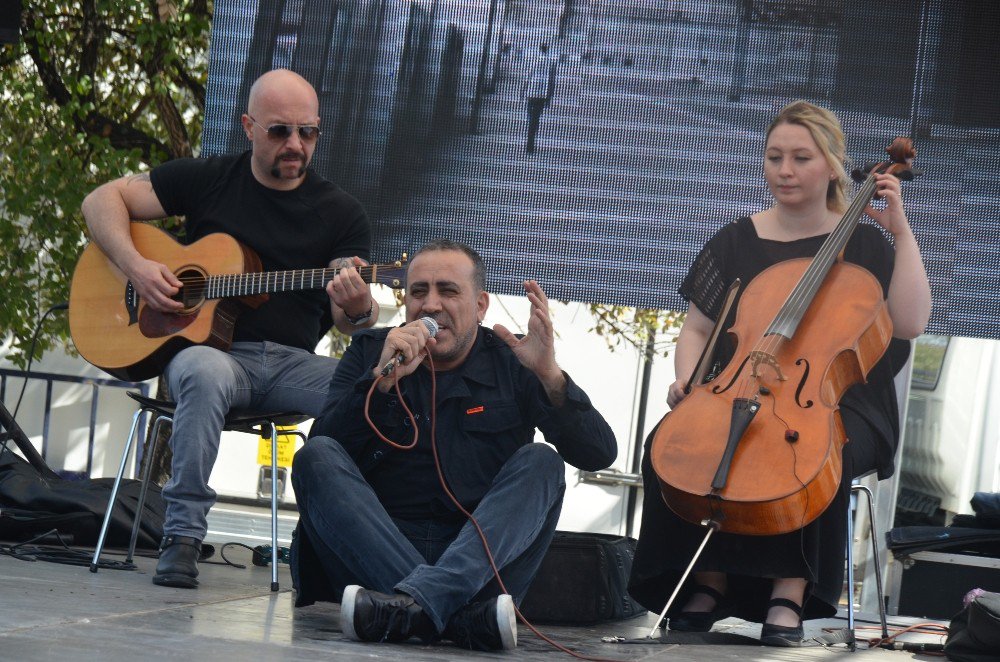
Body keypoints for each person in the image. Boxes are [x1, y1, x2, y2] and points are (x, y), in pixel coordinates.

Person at [628, 100, 932, 646]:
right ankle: (707, 581)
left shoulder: (864, 243)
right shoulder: (737, 239)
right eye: (775, 158)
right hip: (740, 382)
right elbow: (697, 329)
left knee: (817, 451)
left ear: (833, 167)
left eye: (800, 158)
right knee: (670, 445)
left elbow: (909, 323)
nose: (784, 171)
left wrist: (901, 231)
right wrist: (689, 379)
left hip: (841, 396)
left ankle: (789, 591)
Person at [80, 69, 379, 588]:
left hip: (292, 363)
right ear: (248, 126)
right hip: (215, 356)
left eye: (308, 132)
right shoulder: (209, 179)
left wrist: (358, 307)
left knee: (370, 392)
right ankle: (182, 537)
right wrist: (135, 266)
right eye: (279, 131)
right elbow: (99, 201)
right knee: (199, 367)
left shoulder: (342, 213)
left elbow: (350, 322)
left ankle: (348, 549)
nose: (295, 144)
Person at [290, 240, 617, 650]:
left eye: (448, 291)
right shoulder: (372, 353)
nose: (430, 305)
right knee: (315, 455)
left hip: (478, 561)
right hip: (373, 552)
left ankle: (413, 609)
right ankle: (455, 618)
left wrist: (550, 376)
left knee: (543, 462)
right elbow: (323, 460)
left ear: (480, 306)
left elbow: (598, 454)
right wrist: (383, 381)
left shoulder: (516, 358)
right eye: (418, 292)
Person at [523, 43, 557, 154]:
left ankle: (529, 142)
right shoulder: (551, 64)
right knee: (535, 119)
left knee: (530, 118)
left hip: (531, 93)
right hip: (542, 96)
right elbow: (551, 82)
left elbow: (527, 76)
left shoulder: (533, 61)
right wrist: (549, 97)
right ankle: (531, 143)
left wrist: (523, 91)